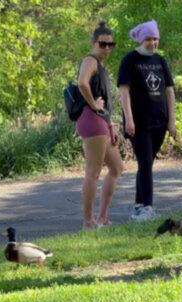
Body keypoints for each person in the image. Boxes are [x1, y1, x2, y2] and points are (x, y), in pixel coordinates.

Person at [118, 20, 177, 221]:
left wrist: (172, 121)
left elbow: (169, 91)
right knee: (144, 163)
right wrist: (129, 119)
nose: (153, 43)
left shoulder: (160, 61)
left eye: (156, 39)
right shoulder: (129, 60)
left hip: (159, 121)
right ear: (142, 40)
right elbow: (124, 92)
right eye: (149, 39)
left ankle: (138, 206)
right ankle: (148, 208)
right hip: (139, 123)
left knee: (147, 165)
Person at [75, 21, 124, 229]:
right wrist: (94, 104)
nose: (107, 48)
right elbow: (82, 83)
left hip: (101, 122)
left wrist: (111, 124)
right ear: (94, 43)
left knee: (116, 167)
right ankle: (88, 222)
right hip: (91, 121)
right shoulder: (90, 60)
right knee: (93, 172)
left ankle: (103, 217)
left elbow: (105, 100)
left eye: (111, 45)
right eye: (103, 44)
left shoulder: (101, 66)